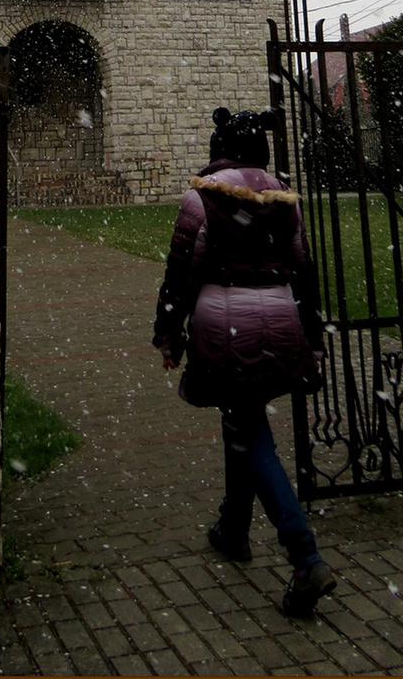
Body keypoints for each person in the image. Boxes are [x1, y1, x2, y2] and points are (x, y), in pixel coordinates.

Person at [152, 106, 337, 617]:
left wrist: (169, 333)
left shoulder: (201, 199)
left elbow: (181, 273)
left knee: (250, 430)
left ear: (219, 150)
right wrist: (312, 336)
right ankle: (233, 527)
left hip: (225, 324)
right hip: (279, 321)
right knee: (244, 418)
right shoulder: (285, 200)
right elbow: (305, 273)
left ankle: (305, 557)